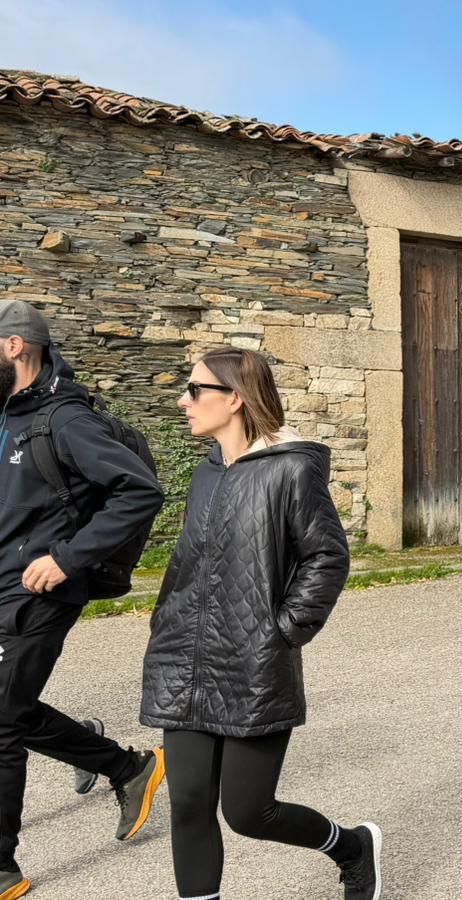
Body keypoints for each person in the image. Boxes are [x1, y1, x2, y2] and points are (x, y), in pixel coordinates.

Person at [141, 348, 381, 900]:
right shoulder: (206, 474)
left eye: (195, 389)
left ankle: (351, 848)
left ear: (235, 399)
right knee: (189, 805)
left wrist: (284, 630)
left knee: (249, 812)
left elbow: (327, 557)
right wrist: (166, 621)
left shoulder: (291, 470)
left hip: (253, 663)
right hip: (183, 656)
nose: (184, 399)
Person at [0, 301, 167, 899]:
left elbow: (140, 490)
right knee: (9, 707)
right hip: (2, 585)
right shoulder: (10, 416)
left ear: (14, 346)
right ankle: (126, 767)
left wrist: (68, 558)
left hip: (41, 591)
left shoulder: (64, 419)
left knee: (2, 721)